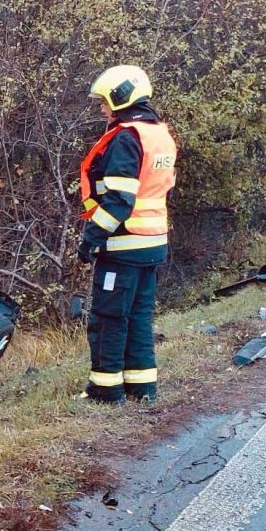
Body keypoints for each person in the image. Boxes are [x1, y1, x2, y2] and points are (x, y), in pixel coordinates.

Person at [75, 65, 176, 404]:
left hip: (123, 243)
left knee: (109, 317)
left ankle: (106, 391)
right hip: (152, 242)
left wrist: (91, 238)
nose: (102, 109)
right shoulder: (159, 133)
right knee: (139, 317)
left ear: (121, 98)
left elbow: (119, 200)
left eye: (104, 102)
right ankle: (142, 387)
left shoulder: (126, 138)